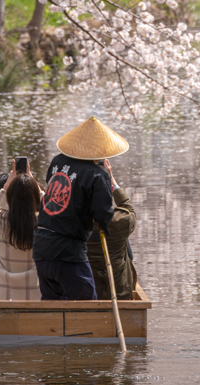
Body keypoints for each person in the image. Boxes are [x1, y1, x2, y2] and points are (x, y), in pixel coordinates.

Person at [32, 115, 128, 301]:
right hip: (68, 252)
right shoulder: (98, 175)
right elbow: (102, 214)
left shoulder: (57, 161)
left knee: (53, 306)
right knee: (87, 308)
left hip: (41, 246)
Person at [0, 168, 44, 300]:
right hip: (37, 297)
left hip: (2, 297)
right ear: (35, 199)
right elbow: (55, 208)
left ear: (9, 199)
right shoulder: (45, 222)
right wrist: (36, 187)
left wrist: (4, 189)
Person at [87, 159, 137, 299]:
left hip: (88, 291)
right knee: (124, 244)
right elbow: (128, 208)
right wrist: (112, 181)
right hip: (120, 291)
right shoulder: (122, 220)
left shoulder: (74, 220)